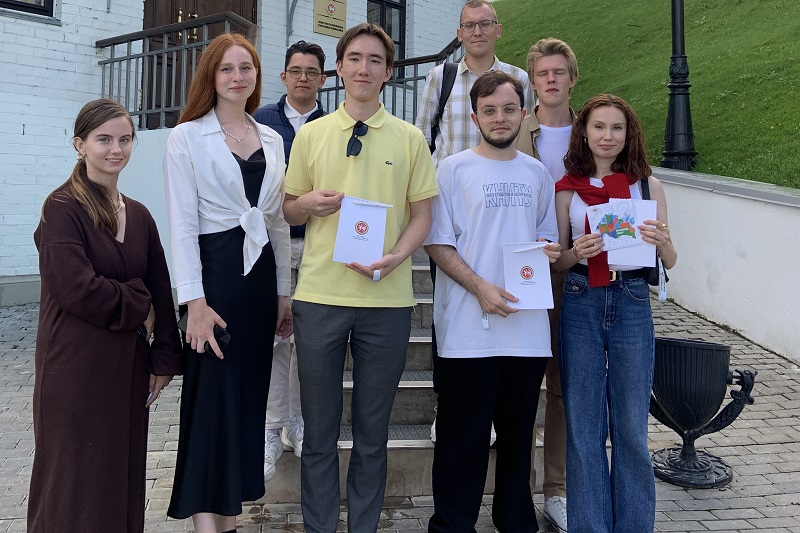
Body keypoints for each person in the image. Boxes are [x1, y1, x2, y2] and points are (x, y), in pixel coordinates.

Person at [282, 23, 438, 533]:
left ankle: (364, 527)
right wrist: (307, 204)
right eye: (354, 58)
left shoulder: (410, 138)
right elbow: (288, 208)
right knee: (319, 432)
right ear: (339, 68)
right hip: (320, 297)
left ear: (388, 72)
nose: (363, 68)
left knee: (373, 434)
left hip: (386, 301)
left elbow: (423, 215)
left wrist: (397, 256)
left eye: (374, 60)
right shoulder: (311, 135)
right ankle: (320, 526)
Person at [28, 98, 182, 532]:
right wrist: (139, 304)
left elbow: (161, 289)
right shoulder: (61, 208)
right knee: (72, 481)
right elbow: (75, 288)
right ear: (80, 145)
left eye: (125, 139)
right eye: (104, 140)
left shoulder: (140, 214)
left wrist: (164, 358)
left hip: (128, 368)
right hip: (74, 368)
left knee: (119, 476)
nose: (116, 149)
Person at [163, 33, 292, 533]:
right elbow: (181, 225)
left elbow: (276, 223)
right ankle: (205, 526)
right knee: (210, 404)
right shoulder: (187, 136)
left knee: (245, 403)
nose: (238, 77)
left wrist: (282, 294)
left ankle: (230, 521)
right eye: (227, 68)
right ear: (211, 77)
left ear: (257, 75)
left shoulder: (273, 139)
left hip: (259, 286)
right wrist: (192, 302)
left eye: (246, 67)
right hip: (213, 282)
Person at [424, 71, 560, 533]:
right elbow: (437, 242)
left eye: (508, 109)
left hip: (526, 330)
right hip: (467, 330)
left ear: (522, 113)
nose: (499, 118)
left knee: (519, 439)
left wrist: (548, 250)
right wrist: (480, 287)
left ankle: (515, 521)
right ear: (474, 117)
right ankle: (452, 524)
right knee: (461, 439)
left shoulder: (537, 173)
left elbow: (546, 236)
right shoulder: (452, 169)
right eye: (489, 111)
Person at [552, 94, 678, 532]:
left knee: (631, 426)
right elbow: (558, 262)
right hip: (582, 297)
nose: (608, 136)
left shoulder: (648, 187)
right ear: (584, 133)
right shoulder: (568, 189)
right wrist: (575, 252)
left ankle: (634, 526)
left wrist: (662, 242)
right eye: (599, 127)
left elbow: (671, 260)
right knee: (585, 427)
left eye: (617, 128)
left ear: (629, 134)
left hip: (631, 299)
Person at [415, 0, 533, 443]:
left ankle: (499, 407)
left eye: (485, 24)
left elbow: (527, 139)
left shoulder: (517, 78)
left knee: (505, 304)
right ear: (459, 33)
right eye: (469, 25)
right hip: (452, 212)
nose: (478, 31)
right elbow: (422, 139)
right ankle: (446, 400)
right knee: (446, 312)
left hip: (502, 212)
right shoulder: (440, 77)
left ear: (498, 29)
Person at [252, 40, 327, 479]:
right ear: (283, 76)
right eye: (295, 71)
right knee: (274, 337)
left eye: (311, 72)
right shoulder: (261, 121)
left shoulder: (333, 125)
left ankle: (295, 420)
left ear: (323, 79)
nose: (303, 78)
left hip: (317, 245)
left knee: (304, 340)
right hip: (272, 245)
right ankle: (269, 426)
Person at [514, 37, 578, 533]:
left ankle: (556, 489)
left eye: (559, 72)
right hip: (521, 269)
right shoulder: (513, 127)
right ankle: (514, 491)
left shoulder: (592, 130)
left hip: (575, 274)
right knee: (516, 384)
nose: (551, 80)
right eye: (542, 73)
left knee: (561, 388)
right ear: (532, 82)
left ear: (572, 79)